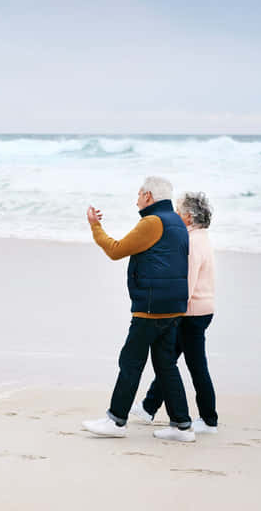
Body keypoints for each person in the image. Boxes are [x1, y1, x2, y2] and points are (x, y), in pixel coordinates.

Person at [81, 176, 195, 442]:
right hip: (174, 305)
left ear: (148, 196)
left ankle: (116, 420)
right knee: (166, 365)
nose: (136, 201)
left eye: (139, 195)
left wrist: (95, 226)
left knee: (131, 361)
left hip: (151, 307)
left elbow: (116, 250)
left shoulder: (152, 222)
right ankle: (182, 426)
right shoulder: (177, 221)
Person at [134, 192, 218, 433]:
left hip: (191, 312)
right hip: (200, 310)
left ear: (188, 217)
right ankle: (148, 407)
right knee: (168, 361)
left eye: (178, 211)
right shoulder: (201, 237)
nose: (175, 215)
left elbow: (187, 282)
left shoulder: (192, 243)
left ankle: (209, 420)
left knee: (194, 365)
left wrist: (174, 310)